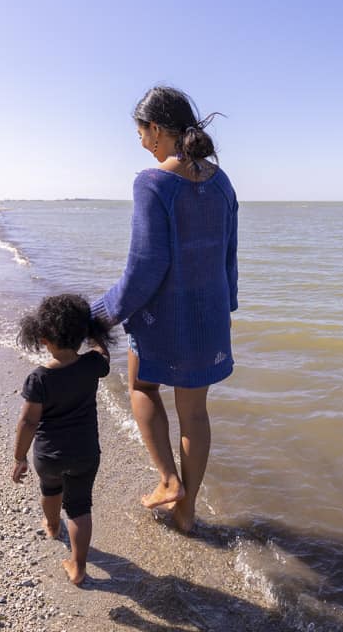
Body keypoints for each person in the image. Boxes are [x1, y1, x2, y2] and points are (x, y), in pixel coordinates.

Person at [90, 85, 239, 534]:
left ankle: (169, 481)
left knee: (142, 387)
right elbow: (229, 254)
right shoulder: (222, 180)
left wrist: (99, 314)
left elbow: (145, 268)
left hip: (163, 316)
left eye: (140, 133)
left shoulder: (152, 183)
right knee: (195, 413)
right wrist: (226, 305)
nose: (140, 144)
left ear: (156, 129)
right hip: (210, 315)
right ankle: (187, 511)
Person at [11, 293, 113, 586]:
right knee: (80, 507)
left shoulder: (39, 379)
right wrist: (96, 335)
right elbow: (104, 356)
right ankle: (78, 566)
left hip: (49, 456)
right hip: (85, 453)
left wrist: (19, 457)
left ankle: (53, 526)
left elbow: (29, 421)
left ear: (43, 338)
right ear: (83, 335)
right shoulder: (93, 364)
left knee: (50, 489)